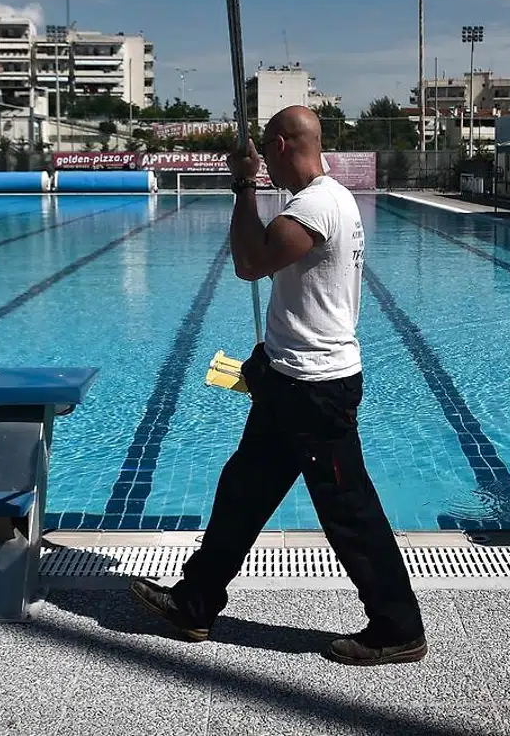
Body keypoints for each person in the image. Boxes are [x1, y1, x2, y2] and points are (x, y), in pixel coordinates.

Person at [130, 105, 426, 666]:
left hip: (316, 391)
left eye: (266, 149)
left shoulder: (316, 204)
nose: (263, 160)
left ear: (284, 144)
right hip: (289, 379)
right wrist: (267, 359)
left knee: (349, 509)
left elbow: (250, 262)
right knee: (242, 491)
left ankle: (398, 626)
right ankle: (195, 602)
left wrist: (242, 187)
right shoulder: (325, 199)